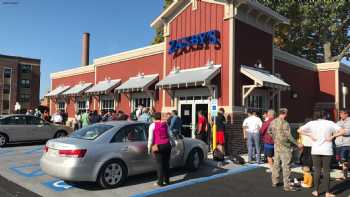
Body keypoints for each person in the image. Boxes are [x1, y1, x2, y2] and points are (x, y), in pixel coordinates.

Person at [298, 114, 346, 197]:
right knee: (326, 171)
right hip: (327, 150)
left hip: (316, 149)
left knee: (317, 171)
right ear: (325, 116)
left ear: (316, 117)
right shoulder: (329, 123)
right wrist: (332, 136)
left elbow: (299, 130)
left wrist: (310, 135)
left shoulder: (312, 123)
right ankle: (327, 193)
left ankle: (316, 191)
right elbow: (343, 131)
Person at [268, 108, 303, 192]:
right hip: (285, 147)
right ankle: (287, 186)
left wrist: (275, 139)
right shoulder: (285, 123)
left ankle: (274, 182)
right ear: (285, 113)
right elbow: (289, 136)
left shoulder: (273, 122)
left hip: (277, 146)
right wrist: (297, 143)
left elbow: (269, 132)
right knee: (286, 166)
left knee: (276, 164)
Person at [147, 112, 174, 187]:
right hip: (167, 145)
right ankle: (167, 180)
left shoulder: (152, 125)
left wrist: (149, 147)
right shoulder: (165, 124)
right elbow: (170, 134)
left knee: (159, 165)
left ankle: (160, 182)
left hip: (158, 146)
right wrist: (173, 142)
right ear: (160, 117)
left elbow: (150, 138)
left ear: (154, 118)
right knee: (166, 163)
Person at [299, 118, 314, 188]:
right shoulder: (313, 129)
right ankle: (306, 181)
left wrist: (300, 146)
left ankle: (309, 183)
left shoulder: (302, 129)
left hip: (307, 147)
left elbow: (300, 139)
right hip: (310, 147)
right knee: (307, 166)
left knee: (306, 166)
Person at [336, 109, 350, 180]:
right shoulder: (338, 122)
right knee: (342, 161)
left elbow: (347, 132)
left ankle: (345, 175)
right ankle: (345, 175)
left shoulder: (349, 121)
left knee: (345, 160)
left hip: (347, 143)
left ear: (346, 114)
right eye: (340, 113)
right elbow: (334, 131)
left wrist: (341, 130)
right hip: (339, 144)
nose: (341, 115)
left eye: (342, 114)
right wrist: (342, 130)